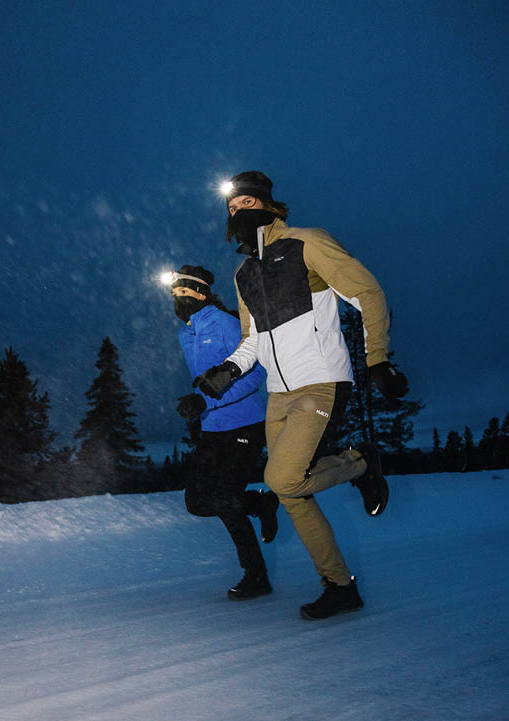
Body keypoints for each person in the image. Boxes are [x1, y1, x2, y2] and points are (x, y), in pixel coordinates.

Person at [194, 171, 409, 619]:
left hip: (321, 381)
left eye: (245, 204)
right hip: (278, 392)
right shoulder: (243, 273)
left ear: (267, 204)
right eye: (231, 209)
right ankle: (339, 585)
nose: (237, 213)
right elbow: (253, 340)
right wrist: (228, 370)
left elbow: (367, 291)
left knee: (282, 478)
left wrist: (378, 360)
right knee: (291, 492)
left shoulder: (306, 244)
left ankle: (360, 461)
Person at [169, 265, 280, 600]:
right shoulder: (186, 334)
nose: (178, 300)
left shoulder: (225, 323)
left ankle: (256, 576)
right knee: (197, 500)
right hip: (214, 428)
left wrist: (203, 400)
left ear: (202, 293)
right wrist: (201, 404)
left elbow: (256, 373)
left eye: (185, 293)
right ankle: (259, 504)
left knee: (226, 498)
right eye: (174, 294)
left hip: (245, 424)